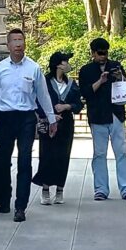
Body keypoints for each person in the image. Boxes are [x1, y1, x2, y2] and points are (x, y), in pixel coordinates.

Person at [0, 28, 56, 222]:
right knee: (3, 161)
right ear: (8, 45)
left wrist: (51, 119)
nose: (18, 44)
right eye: (14, 40)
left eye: (21, 40)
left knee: (24, 161)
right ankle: (4, 198)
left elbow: (43, 95)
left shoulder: (33, 68)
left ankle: (20, 206)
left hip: (26, 117)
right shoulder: (1, 68)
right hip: (6, 117)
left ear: (25, 44)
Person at [78, 37, 126, 202]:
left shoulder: (116, 66)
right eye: (99, 53)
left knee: (123, 152)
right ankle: (101, 189)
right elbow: (85, 93)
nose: (103, 56)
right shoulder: (86, 70)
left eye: (105, 52)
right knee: (99, 154)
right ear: (93, 53)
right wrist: (101, 81)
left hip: (116, 113)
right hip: (97, 116)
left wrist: (119, 77)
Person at [32, 51, 83, 205]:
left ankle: (60, 189)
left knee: (63, 155)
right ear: (59, 64)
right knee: (47, 155)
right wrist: (50, 114)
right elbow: (37, 101)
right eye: (66, 61)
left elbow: (79, 104)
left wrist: (67, 106)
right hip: (48, 123)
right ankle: (45, 189)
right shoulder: (45, 82)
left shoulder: (72, 84)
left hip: (66, 123)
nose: (68, 64)